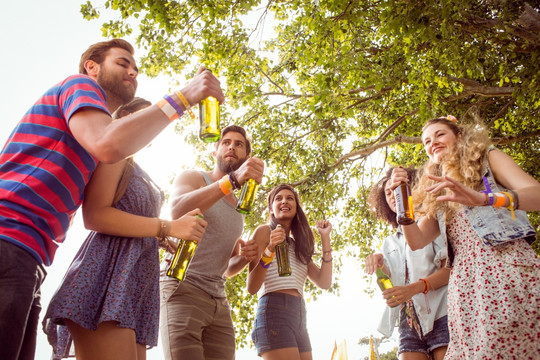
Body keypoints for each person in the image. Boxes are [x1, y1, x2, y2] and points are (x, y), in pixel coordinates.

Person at [0, 38, 224, 360]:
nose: (133, 72)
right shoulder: (79, 86)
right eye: (122, 63)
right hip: (8, 237)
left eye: (136, 68)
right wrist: (185, 96)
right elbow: (107, 157)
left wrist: (154, 234)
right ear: (92, 67)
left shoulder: (94, 141)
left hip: (32, 254)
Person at [41, 97, 207, 360]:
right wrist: (168, 227)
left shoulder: (137, 167)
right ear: (125, 117)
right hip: (108, 279)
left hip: (136, 284)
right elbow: (95, 216)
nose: (153, 125)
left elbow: (131, 216)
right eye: (146, 116)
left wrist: (162, 236)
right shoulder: (116, 152)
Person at [391, 116, 540, 359]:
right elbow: (416, 240)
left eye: (440, 134)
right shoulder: (437, 190)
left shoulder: (488, 160)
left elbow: (536, 193)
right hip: (466, 287)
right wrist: (402, 199)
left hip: (505, 268)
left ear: (459, 136)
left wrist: (485, 199)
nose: (433, 143)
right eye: (427, 141)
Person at [159, 124, 265, 360]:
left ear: (246, 157)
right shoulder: (195, 177)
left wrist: (245, 257)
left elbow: (226, 269)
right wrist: (233, 180)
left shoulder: (239, 209)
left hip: (218, 300)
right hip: (181, 287)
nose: (232, 147)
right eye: (226, 142)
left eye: (239, 144)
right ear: (214, 151)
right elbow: (177, 210)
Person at [364, 167, 450, 360]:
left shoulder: (432, 223)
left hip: (442, 312)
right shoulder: (389, 243)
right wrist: (380, 266)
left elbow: (449, 270)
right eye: (388, 193)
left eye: (397, 189)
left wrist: (414, 288)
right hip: (409, 321)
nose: (393, 196)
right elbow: (394, 284)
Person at [246, 183, 333, 360]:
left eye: (289, 198)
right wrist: (270, 249)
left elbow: (324, 282)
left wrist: (325, 238)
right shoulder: (264, 232)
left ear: (296, 207)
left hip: (299, 315)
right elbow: (252, 286)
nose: (284, 201)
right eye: (278, 198)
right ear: (271, 209)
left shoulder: (297, 246)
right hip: (274, 310)